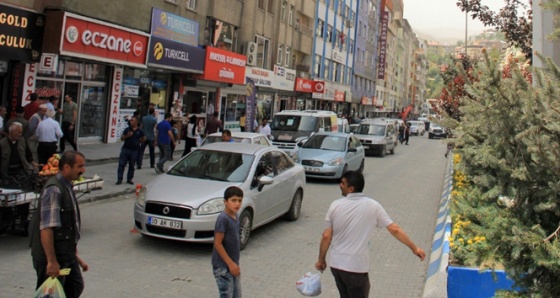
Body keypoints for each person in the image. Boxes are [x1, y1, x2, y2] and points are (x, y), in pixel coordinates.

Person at [315, 171, 425, 298]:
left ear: (351, 189)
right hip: (355, 268)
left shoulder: (335, 205)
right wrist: (414, 248)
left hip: (337, 266)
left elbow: (326, 236)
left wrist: (321, 260)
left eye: (343, 183)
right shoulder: (373, 206)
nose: (340, 185)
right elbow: (395, 229)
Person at [30, 151, 89, 298]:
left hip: (66, 254)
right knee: (51, 295)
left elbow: (67, 226)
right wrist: (51, 261)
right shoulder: (54, 190)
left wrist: (76, 256)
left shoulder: (67, 186)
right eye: (79, 166)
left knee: (75, 286)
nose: (83, 170)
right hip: (53, 257)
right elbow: (47, 228)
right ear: (67, 167)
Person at [212, 186, 243, 298]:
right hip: (223, 267)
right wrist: (230, 264)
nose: (237, 204)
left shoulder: (236, 216)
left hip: (233, 264)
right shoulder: (223, 219)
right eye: (233, 200)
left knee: (237, 295)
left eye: (239, 200)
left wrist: (234, 264)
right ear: (225, 202)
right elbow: (217, 243)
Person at [117, 117, 145, 185]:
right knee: (122, 164)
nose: (131, 122)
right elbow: (122, 138)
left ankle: (129, 179)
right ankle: (119, 179)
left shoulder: (140, 130)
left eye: (132, 120)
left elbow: (144, 138)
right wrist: (128, 136)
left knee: (132, 165)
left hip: (134, 150)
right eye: (131, 120)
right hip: (126, 149)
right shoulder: (127, 129)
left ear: (136, 122)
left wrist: (140, 141)